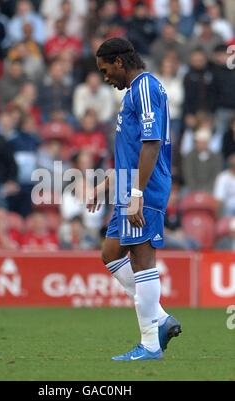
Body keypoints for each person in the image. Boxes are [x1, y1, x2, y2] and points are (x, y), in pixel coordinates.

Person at [87, 37, 181, 361]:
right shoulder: (136, 93)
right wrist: (106, 185)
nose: (104, 77)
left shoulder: (143, 88)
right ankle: (162, 317)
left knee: (142, 261)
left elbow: (152, 144)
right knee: (111, 252)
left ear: (119, 62)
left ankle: (151, 344)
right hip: (129, 185)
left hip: (144, 188)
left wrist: (137, 195)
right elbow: (130, 151)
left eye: (105, 70)